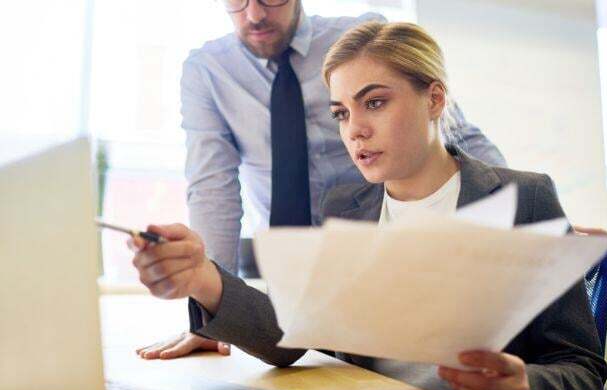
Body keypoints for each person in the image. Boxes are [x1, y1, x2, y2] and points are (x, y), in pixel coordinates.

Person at [129, 21, 607, 390]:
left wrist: (526, 385)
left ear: (434, 99)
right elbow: (291, 335)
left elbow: (582, 370)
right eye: (341, 112)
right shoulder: (345, 208)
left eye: (374, 102)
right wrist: (201, 278)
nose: (354, 130)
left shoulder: (525, 198)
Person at [136, 0, 506, 360]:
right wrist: (209, 315)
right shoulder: (208, 71)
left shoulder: (360, 42)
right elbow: (212, 186)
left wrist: (517, 213)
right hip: (297, 270)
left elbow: (455, 133)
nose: (254, 14)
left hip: (379, 247)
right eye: (340, 114)